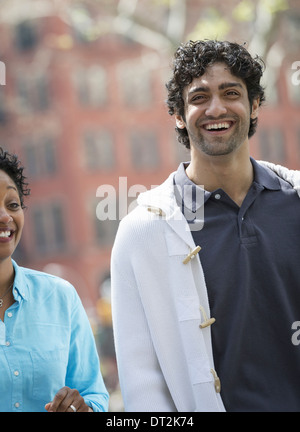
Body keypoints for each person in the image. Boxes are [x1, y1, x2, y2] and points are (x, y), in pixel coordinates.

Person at [111, 40, 300, 412]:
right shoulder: (142, 232)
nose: (216, 108)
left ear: (254, 104)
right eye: (199, 97)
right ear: (179, 115)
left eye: (231, 93)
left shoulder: (295, 201)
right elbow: (142, 380)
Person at [0, 148, 109, 412]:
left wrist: (83, 408)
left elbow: (94, 395)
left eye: (12, 204)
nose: (5, 217)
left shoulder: (60, 296)